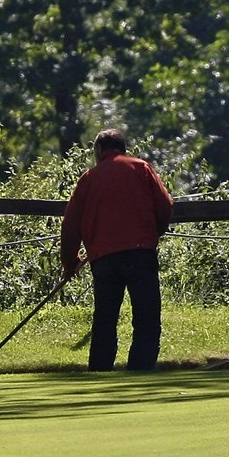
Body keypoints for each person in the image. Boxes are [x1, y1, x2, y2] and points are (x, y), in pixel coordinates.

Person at [60, 129, 174, 371]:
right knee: (146, 318)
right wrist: (155, 233)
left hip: (104, 258)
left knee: (105, 319)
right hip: (140, 253)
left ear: (100, 150)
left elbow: (70, 225)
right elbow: (165, 206)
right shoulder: (141, 168)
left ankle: (100, 370)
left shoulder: (89, 178)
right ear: (122, 147)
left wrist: (70, 262)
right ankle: (140, 369)